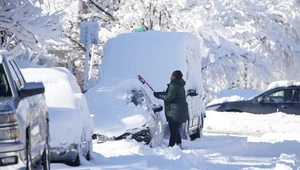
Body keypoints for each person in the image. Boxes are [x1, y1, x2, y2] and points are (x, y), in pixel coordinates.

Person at [153, 70, 189, 148]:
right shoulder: (180, 84)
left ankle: (171, 147)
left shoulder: (174, 85)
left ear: (173, 76)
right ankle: (179, 145)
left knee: (173, 130)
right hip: (180, 112)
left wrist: (158, 96)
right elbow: (172, 95)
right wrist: (161, 94)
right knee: (175, 130)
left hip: (175, 112)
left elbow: (169, 98)